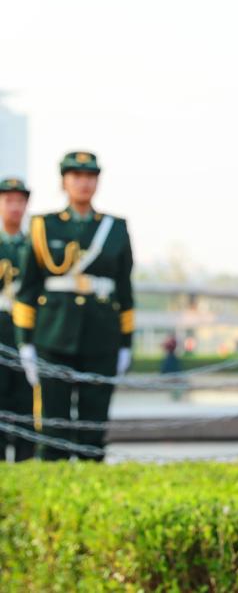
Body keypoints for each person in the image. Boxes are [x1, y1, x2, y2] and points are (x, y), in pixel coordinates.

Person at [14, 152, 134, 461]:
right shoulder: (43, 225)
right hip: (53, 334)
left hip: (102, 333)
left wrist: (125, 343)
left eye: (90, 177)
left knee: (94, 418)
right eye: (76, 176)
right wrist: (25, 342)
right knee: (53, 419)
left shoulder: (115, 227)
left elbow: (124, 290)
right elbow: (28, 290)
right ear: (63, 182)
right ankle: (54, 474)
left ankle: (92, 473)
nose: (83, 183)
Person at [0, 177, 35, 461]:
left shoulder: (34, 244)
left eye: (19, 201)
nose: (14, 207)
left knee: (26, 403)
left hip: (25, 331)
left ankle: (25, 463)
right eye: (8, 200)